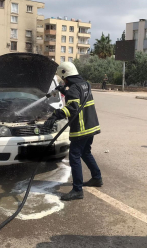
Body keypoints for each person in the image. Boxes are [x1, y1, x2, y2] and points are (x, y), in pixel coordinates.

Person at [44, 62, 103, 201]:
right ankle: (97, 178)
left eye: (62, 78)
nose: (63, 81)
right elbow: (78, 97)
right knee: (86, 152)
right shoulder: (85, 84)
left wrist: (55, 115)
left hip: (81, 129)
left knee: (74, 156)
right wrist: (64, 91)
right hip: (92, 126)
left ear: (65, 75)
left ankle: (77, 190)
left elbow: (72, 108)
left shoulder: (73, 89)